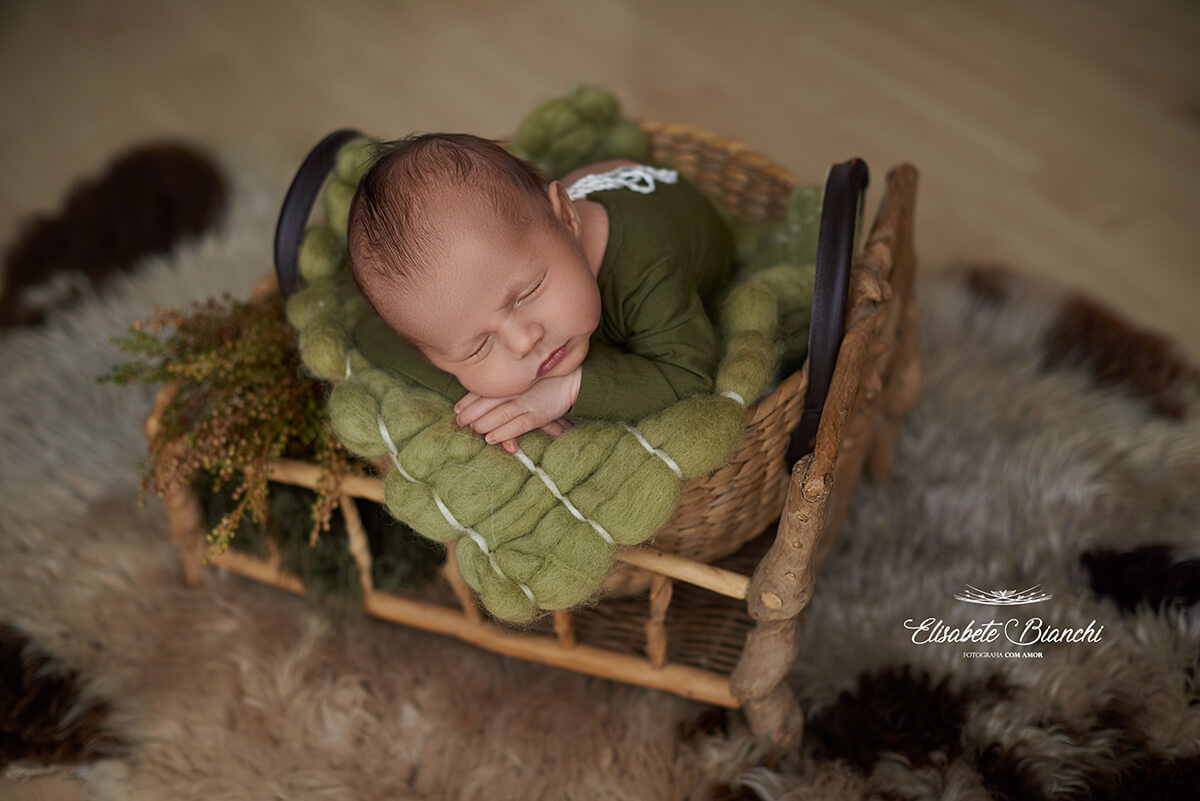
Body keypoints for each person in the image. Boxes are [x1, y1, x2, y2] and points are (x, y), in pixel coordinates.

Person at [347, 133, 733, 453]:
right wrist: (485, 398)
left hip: (668, 212)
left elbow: (691, 377)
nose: (523, 341)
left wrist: (567, 389)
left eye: (526, 294)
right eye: (478, 346)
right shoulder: (447, 319)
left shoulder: (646, 262)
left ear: (567, 218)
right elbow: (371, 333)